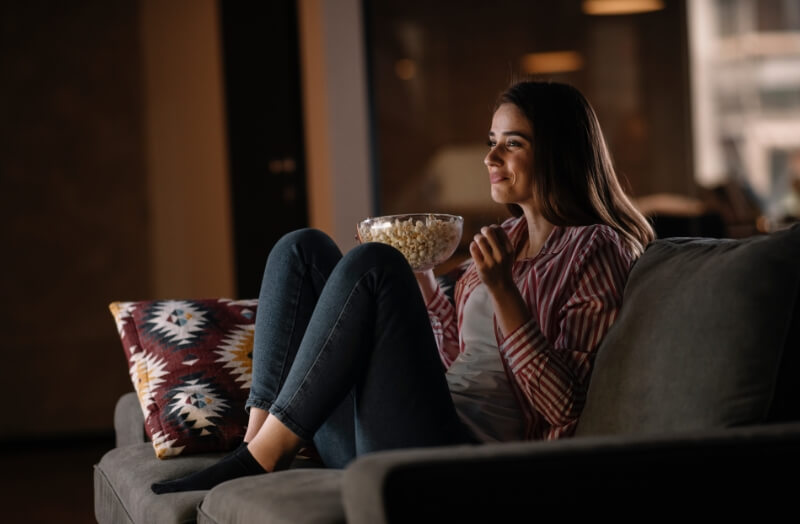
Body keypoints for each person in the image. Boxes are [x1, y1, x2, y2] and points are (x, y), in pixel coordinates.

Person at [151, 80, 655, 494]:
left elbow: (565, 405)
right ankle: (258, 437)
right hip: (398, 429)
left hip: (461, 458)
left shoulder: (597, 249)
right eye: (491, 141)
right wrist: (424, 278)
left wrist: (506, 294)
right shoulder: (503, 239)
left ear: (558, 152)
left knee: (373, 263)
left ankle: (261, 457)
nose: (491, 156)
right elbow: (454, 357)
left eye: (512, 143)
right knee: (300, 250)